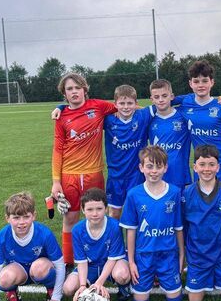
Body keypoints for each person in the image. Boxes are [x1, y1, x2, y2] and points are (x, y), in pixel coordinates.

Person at [51, 72, 117, 266]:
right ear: (64, 93)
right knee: (70, 217)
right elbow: (57, 149)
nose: (74, 92)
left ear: (84, 89)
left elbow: (124, 105)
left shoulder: (98, 106)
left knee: (97, 216)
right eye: (69, 89)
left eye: (77, 88)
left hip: (93, 174)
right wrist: (56, 182)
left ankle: (101, 257)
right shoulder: (61, 116)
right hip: (68, 176)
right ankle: (69, 263)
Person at [119, 146, 185, 301]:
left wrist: (182, 255)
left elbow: (178, 227)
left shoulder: (174, 192)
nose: (154, 171)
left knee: (175, 300)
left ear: (165, 167)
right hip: (143, 256)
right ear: (141, 168)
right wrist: (132, 261)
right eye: (149, 166)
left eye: (158, 166)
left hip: (168, 254)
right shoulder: (134, 194)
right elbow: (131, 230)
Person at [0, 192, 66, 301]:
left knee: (39, 268)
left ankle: (51, 290)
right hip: (19, 271)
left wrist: (56, 298)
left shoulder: (44, 233)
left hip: (40, 269)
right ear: (7, 218)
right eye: (16, 218)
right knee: (4, 278)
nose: (21, 223)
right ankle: (12, 292)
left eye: (26, 217)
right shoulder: (1, 238)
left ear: (34, 216)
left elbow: (60, 265)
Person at [181, 144, 221, 301]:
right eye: (202, 164)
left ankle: (219, 272)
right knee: (194, 300)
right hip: (197, 255)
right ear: (194, 167)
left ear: (218, 167)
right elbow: (184, 225)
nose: (207, 169)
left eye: (211, 164)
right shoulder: (187, 193)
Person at [175, 60, 221, 190]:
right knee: (201, 199)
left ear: (212, 82)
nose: (201, 85)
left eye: (205, 81)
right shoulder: (186, 102)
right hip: (200, 162)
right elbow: (162, 103)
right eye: (196, 81)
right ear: (190, 83)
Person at [62, 188, 132, 301]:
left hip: (113, 263)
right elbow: (81, 261)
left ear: (106, 208)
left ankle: (124, 287)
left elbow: (112, 258)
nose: (95, 214)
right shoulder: (77, 230)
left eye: (99, 209)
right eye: (90, 209)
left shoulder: (114, 226)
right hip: (91, 266)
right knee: (68, 288)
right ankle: (89, 288)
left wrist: (100, 282)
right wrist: (83, 285)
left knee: (122, 275)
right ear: (83, 210)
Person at [103, 85, 153, 219]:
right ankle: (115, 241)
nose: (126, 107)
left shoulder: (143, 116)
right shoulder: (108, 119)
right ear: (115, 104)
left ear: (136, 104)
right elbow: (87, 109)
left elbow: (165, 103)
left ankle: (136, 241)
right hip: (115, 176)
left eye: (130, 103)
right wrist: (61, 107)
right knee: (114, 214)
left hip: (136, 175)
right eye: (122, 103)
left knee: (138, 213)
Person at [148, 79, 192, 193]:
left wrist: (220, 101)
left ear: (171, 96)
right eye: (156, 97)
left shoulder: (183, 115)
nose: (161, 100)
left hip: (180, 174)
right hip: (156, 174)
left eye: (164, 96)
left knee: (181, 209)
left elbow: (194, 97)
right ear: (151, 99)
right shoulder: (148, 118)